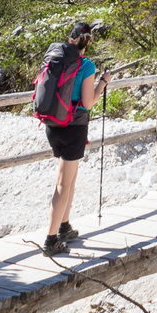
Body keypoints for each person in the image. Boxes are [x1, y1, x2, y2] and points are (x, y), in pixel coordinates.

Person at [33, 20, 105, 254]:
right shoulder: (87, 66)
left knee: (69, 178)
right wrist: (103, 83)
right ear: (89, 42)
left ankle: (64, 226)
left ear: (70, 39)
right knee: (64, 183)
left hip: (53, 125)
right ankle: (51, 240)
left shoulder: (56, 58)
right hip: (74, 127)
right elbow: (88, 102)